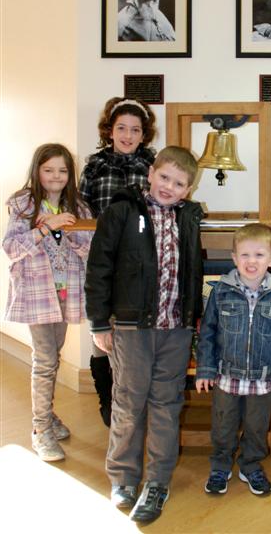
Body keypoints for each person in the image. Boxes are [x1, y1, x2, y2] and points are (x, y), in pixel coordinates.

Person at [85, 146, 204, 524]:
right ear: (151, 173)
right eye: (164, 177)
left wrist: (194, 318)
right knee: (128, 403)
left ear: (188, 189)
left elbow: (193, 271)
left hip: (176, 330)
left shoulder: (189, 218)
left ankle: (157, 481)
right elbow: (99, 268)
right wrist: (99, 322)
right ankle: (123, 477)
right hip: (132, 328)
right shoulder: (121, 211)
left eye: (179, 183)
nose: (169, 186)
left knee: (166, 405)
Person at [3, 143, 92, 462]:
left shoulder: (78, 206)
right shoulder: (23, 204)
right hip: (37, 293)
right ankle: (40, 429)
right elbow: (11, 248)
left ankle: (48, 415)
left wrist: (69, 229)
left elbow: (88, 247)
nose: (56, 176)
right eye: (49, 169)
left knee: (52, 356)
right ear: (37, 171)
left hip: (65, 293)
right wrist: (45, 228)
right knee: (44, 360)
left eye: (63, 170)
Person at [195, 223, 271, 496]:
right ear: (234, 258)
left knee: (256, 427)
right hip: (225, 377)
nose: (251, 261)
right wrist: (205, 369)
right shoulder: (221, 291)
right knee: (223, 425)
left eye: (259, 255)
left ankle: (251, 465)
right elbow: (208, 332)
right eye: (245, 255)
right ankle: (220, 465)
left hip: (262, 380)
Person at [79, 96, 157, 427]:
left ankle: (137, 402)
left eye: (135, 130)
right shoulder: (94, 167)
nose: (128, 135)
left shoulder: (153, 166)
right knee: (102, 335)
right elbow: (82, 211)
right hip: (103, 261)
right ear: (109, 131)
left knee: (136, 335)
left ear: (144, 134)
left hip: (140, 264)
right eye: (121, 128)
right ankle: (108, 402)